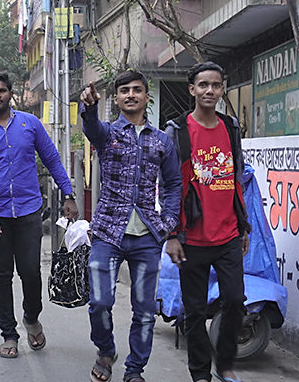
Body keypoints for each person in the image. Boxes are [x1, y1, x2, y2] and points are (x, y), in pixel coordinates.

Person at [0, 71, 79, 359]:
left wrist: (68, 193)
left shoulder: (29, 123)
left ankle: (31, 317)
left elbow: (51, 158)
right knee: (1, 276)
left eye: (2, 90)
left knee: (30, 271)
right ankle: (9, 334)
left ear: (10, 93)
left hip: (28, 211)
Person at [80, 70, 182, 382]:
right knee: (99, 302)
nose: (131, 95)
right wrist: (89, 107)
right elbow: (90, 126)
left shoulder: (162, 140)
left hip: (147, 237)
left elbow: (173, 184)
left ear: (146, 97)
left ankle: (135, 370)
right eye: (124, 90)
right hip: (107, 232)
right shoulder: (107, 134)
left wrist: (168, 223)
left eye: (137, 90)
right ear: (116, 98)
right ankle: (106, 349)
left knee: (145, 311)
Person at [165, 62, 250, 382]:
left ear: (222, 89)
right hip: (192, 238)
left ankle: (225, 364)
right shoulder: (177, 131)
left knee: (235, 300)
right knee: (196, 311)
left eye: (215, 85)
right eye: (203, 85)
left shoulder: (231, 127)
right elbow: (169, 185)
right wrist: (172, 234)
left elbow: (237, 178)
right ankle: (200, 373)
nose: (209, 91)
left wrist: (243, 227)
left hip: (228, 235)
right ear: (192, 90)